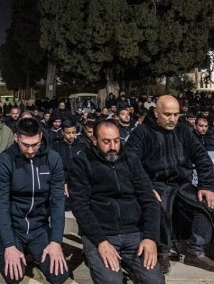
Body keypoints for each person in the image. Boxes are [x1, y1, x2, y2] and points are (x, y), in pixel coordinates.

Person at [126, 95, 214, 273]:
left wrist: (206, 186)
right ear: (156, 113)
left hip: (182, 184)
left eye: (176, 114)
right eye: (167, 114)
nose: (172, 119)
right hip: (155, 184)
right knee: (157, 205)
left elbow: (203, 159)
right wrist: (145, 188)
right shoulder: (141, 133)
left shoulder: (184, 131)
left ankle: (195, 250)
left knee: (208, 203)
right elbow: (131, 163)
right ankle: (161, 251)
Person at [69, 121, 164, 284]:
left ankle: (130, 266)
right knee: (111, 281)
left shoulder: (131, 160)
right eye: (106, 142)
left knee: (154, 281)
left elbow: (149, 200)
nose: (113, 147)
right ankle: (94, 257)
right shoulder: (82, 162)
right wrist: (100, 241)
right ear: (94, 140)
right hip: (102, 233)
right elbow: (80, 206)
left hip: (133, 231)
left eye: (116, 140)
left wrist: (150, 238)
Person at [0, 117, 68, 284]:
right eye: (25, 145)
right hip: (14, 227)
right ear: (16, 138)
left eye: (35, 144)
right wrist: (9, 244)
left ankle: (34, 251)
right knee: (13, 276)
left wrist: (56, 241)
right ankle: (18, 249)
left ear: (40, 137)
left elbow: (58, 202)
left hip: (39, 227)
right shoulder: (5, 160)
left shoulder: (52, 158)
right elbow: (1, 205)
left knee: (59, 276)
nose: (30, 150)